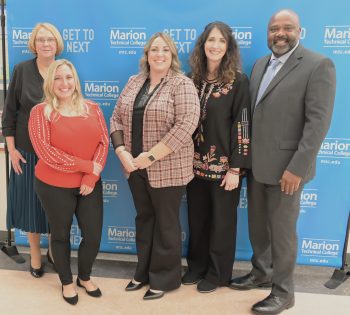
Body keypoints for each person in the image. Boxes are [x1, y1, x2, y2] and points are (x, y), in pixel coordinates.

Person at [229, 9, 336, 314]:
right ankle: (261, 273)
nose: (280, 33)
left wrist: (297, 168)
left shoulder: (318, 65)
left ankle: (284, 291)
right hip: (258, 167)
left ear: (299, 31)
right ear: (268, 33)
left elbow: (318, 124)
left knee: (283, 233)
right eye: (274, 28)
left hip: (288, 170)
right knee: (258, 229)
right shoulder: (261, 64)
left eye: (287, 28)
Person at [110, 32, 200, 300]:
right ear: (146, 55)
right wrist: (121, 151)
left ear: (172, 55)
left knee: (166, 224)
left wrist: (150, 156)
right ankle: (142, 272)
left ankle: (163, 278)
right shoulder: (134, 81)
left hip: (167, 167)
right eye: (154, 49)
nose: (159, 54)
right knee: (144, 220)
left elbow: (186, 125)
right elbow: (116, 118)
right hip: (134, 167)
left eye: (165, 50)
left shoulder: (182, 84)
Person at [28, 59, 109, 305]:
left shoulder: (93, 108)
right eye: (58, 78)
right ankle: (66, 281)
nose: (64, 83)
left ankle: (84, 276)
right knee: (61, 235)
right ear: (50, 82)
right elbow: (46, 152)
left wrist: (92, 175)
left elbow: (103, 142)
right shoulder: (40, 112)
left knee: (93, 235)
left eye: (69, 77)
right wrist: (86, 166)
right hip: (53, 185)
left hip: (89, 183)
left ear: (76, 80)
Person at [181, 22, 251, 293]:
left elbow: (242, 124)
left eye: (221, 41)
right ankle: (196, 267)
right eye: (211, 40)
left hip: (225, 169)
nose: (215, 45)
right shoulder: (191, 79)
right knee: (197, 220)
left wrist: (236, 168)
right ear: (202, 44)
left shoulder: (238, 81)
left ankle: (218, 273)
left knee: (222, 223)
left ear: (228, 47)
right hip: (193, 164)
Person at [1, 22, 64, 277]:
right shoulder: (21, 70)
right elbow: (10, 114)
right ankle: (35, 253)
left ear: (57, 43)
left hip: (58, 153)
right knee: (30, 205)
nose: (46, 44)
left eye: (50, 39)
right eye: (41, 40)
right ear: (34, 44)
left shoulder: (64, 70)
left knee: (55, 206)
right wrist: (12, 150)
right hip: (26, 153)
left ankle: (53, 250)